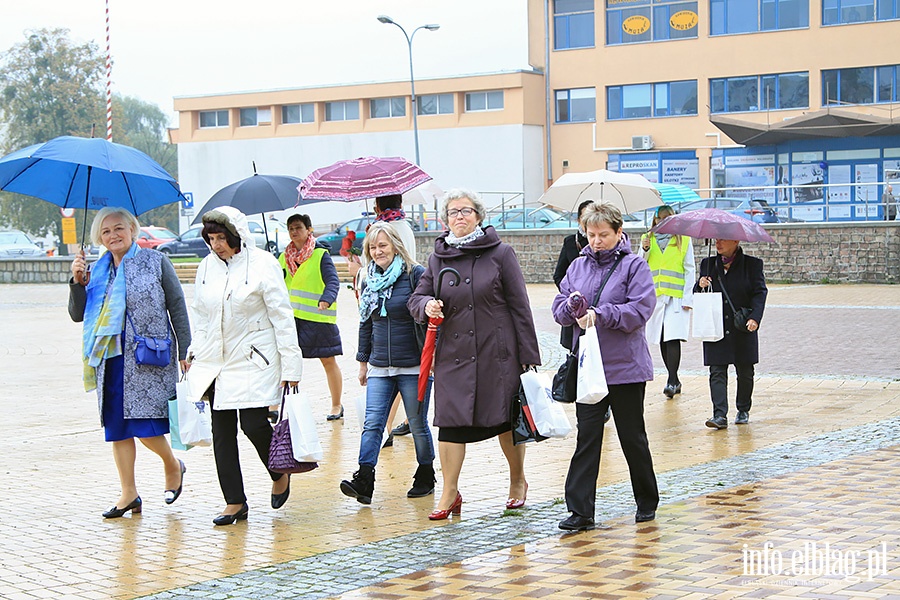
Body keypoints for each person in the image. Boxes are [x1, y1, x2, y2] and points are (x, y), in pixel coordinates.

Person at [408, 189, 541, 520]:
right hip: (454, 357)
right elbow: (416, 298)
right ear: (445, 221)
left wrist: (528, 355)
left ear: (479, 217)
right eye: (452, 213)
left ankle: (517, 481)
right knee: (450, 424)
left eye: (466, 211)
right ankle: (450, 491)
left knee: (505, 421)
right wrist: (428, 305)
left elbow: (520, 307)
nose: (459, 217)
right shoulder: (437, 259)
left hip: (496, 355)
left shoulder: (501, 254)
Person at [68, 207, 190, 519]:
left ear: (133, 230)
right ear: (99, 237)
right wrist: (76, 282)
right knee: (117, 428)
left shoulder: (155, 261)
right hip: (109, 359)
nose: (113, 235)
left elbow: (177, 305)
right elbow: (77, 314)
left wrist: (185, 350)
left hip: (148, 358)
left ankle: (172, 465)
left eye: (119, 228)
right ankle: (128, 493)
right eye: (106, 231)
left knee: (145, 424)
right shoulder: (95, 271)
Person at [185, 207, 303, 525]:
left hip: (254, 359)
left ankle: (278, 471)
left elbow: (282, 316)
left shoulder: (263, 264)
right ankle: (234, 501)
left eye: (221, 238)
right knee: (221, 431)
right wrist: (194, 350)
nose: (216, 245)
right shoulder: (207, 267)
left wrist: (291, 367)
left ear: (236, 236)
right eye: (211, 239)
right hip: (216, 361)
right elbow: (201, 313)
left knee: (252, 424)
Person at [551, 201, 659, 531]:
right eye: (591, 234)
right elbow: (558, 306)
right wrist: (570, 309)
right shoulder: (578, 266)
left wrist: (602, 314)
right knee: (588, 437)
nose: (596, 241)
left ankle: (646, 500)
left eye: (603, 235)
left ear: (618, 233)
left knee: (632, 436)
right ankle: (580, 511)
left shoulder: (634, 266)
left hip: (625, 367)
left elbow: (641, 309)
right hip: (588, 367)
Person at [340, 222, 436, 504]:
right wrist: (362, 362)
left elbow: (431, 320)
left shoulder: (414, 274)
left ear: (395, 245)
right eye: (373, 247)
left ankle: (426, 473)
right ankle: (364, 479)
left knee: (417, 424)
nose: (378, 251)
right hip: (380, 366)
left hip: (414, 366)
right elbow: (365, 323)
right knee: (372, 424)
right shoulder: (368, 279)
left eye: (383, 245)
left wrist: (432, 360)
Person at [695, 239, 768, 429]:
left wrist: (755, 318)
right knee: (716, 371)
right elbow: (701, 295)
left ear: (735, 241)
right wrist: (700, 284)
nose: (718, 243)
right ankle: (719, 415)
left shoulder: (752, 265)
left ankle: (743, 408)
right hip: (716, 326)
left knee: (745, 371)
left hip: (742, 325)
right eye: (716, 240)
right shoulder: (708, 264)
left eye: (722, 240)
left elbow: (760, 293)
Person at [279, 213, 344, 420]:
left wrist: (327, 298)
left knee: (328, 361)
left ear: (309, 230)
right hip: (290, 320)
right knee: (284, 363)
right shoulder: (282, 258)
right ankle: (277, 406)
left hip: (318, 318)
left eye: (298, 227)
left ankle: (336, 405)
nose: (294, 232)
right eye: (290, 228)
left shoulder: (320, 254)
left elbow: (333, 281)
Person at [639, 205, 695, 398]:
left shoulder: (683, 239)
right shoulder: (647, 239)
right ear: (655, 220)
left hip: (676, 297)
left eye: (667, 219)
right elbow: (639, 264)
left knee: (673, 337)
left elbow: (690, 269)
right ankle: (675, 379)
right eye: (660, 219)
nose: (662, 222)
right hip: (655, 296)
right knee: (662, 337)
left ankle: (672, 379)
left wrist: (688, 298)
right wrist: (645, 249)